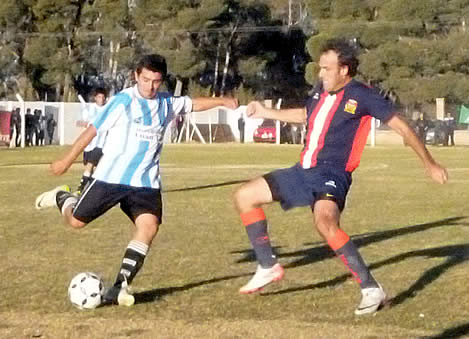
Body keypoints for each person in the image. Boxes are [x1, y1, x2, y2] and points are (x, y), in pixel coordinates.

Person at [233, 38, 448, 316]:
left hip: (332, 174)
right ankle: (267, 265)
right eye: (320, 68)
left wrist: (429, 164)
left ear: (344, 70)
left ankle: (371, 289)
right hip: (303, 170)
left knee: (325, 222)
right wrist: (266, 112)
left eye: (326, 68)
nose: (320, 74)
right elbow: (305, 114)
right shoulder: (319, 91)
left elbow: (404, 128)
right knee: (244, 196)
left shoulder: (363, 95)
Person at [35, 54, 238, 306]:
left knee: (149, 227)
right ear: (135, 76)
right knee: (76, 222)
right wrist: (66, 161)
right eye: (145, 79)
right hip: (112, 178)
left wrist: (223, 101)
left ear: (161, 81)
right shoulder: (122, 102)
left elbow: (192, 104)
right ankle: (62, 196)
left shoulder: (166, 103)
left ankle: (119, 287)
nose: (150, 86)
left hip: (146, 182)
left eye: (156, 81)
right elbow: (91, 131)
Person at [75, 88, 108, 194]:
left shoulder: (108, 110)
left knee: (91, 166)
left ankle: (80, 189)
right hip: (89, 144)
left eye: (103, 97)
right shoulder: (89, 109)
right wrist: (86, 124)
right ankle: (90, 188)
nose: (101, 99)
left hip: (101, 144)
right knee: (91, 168)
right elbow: (79, 122)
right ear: (95, 98)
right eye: (99, 97)